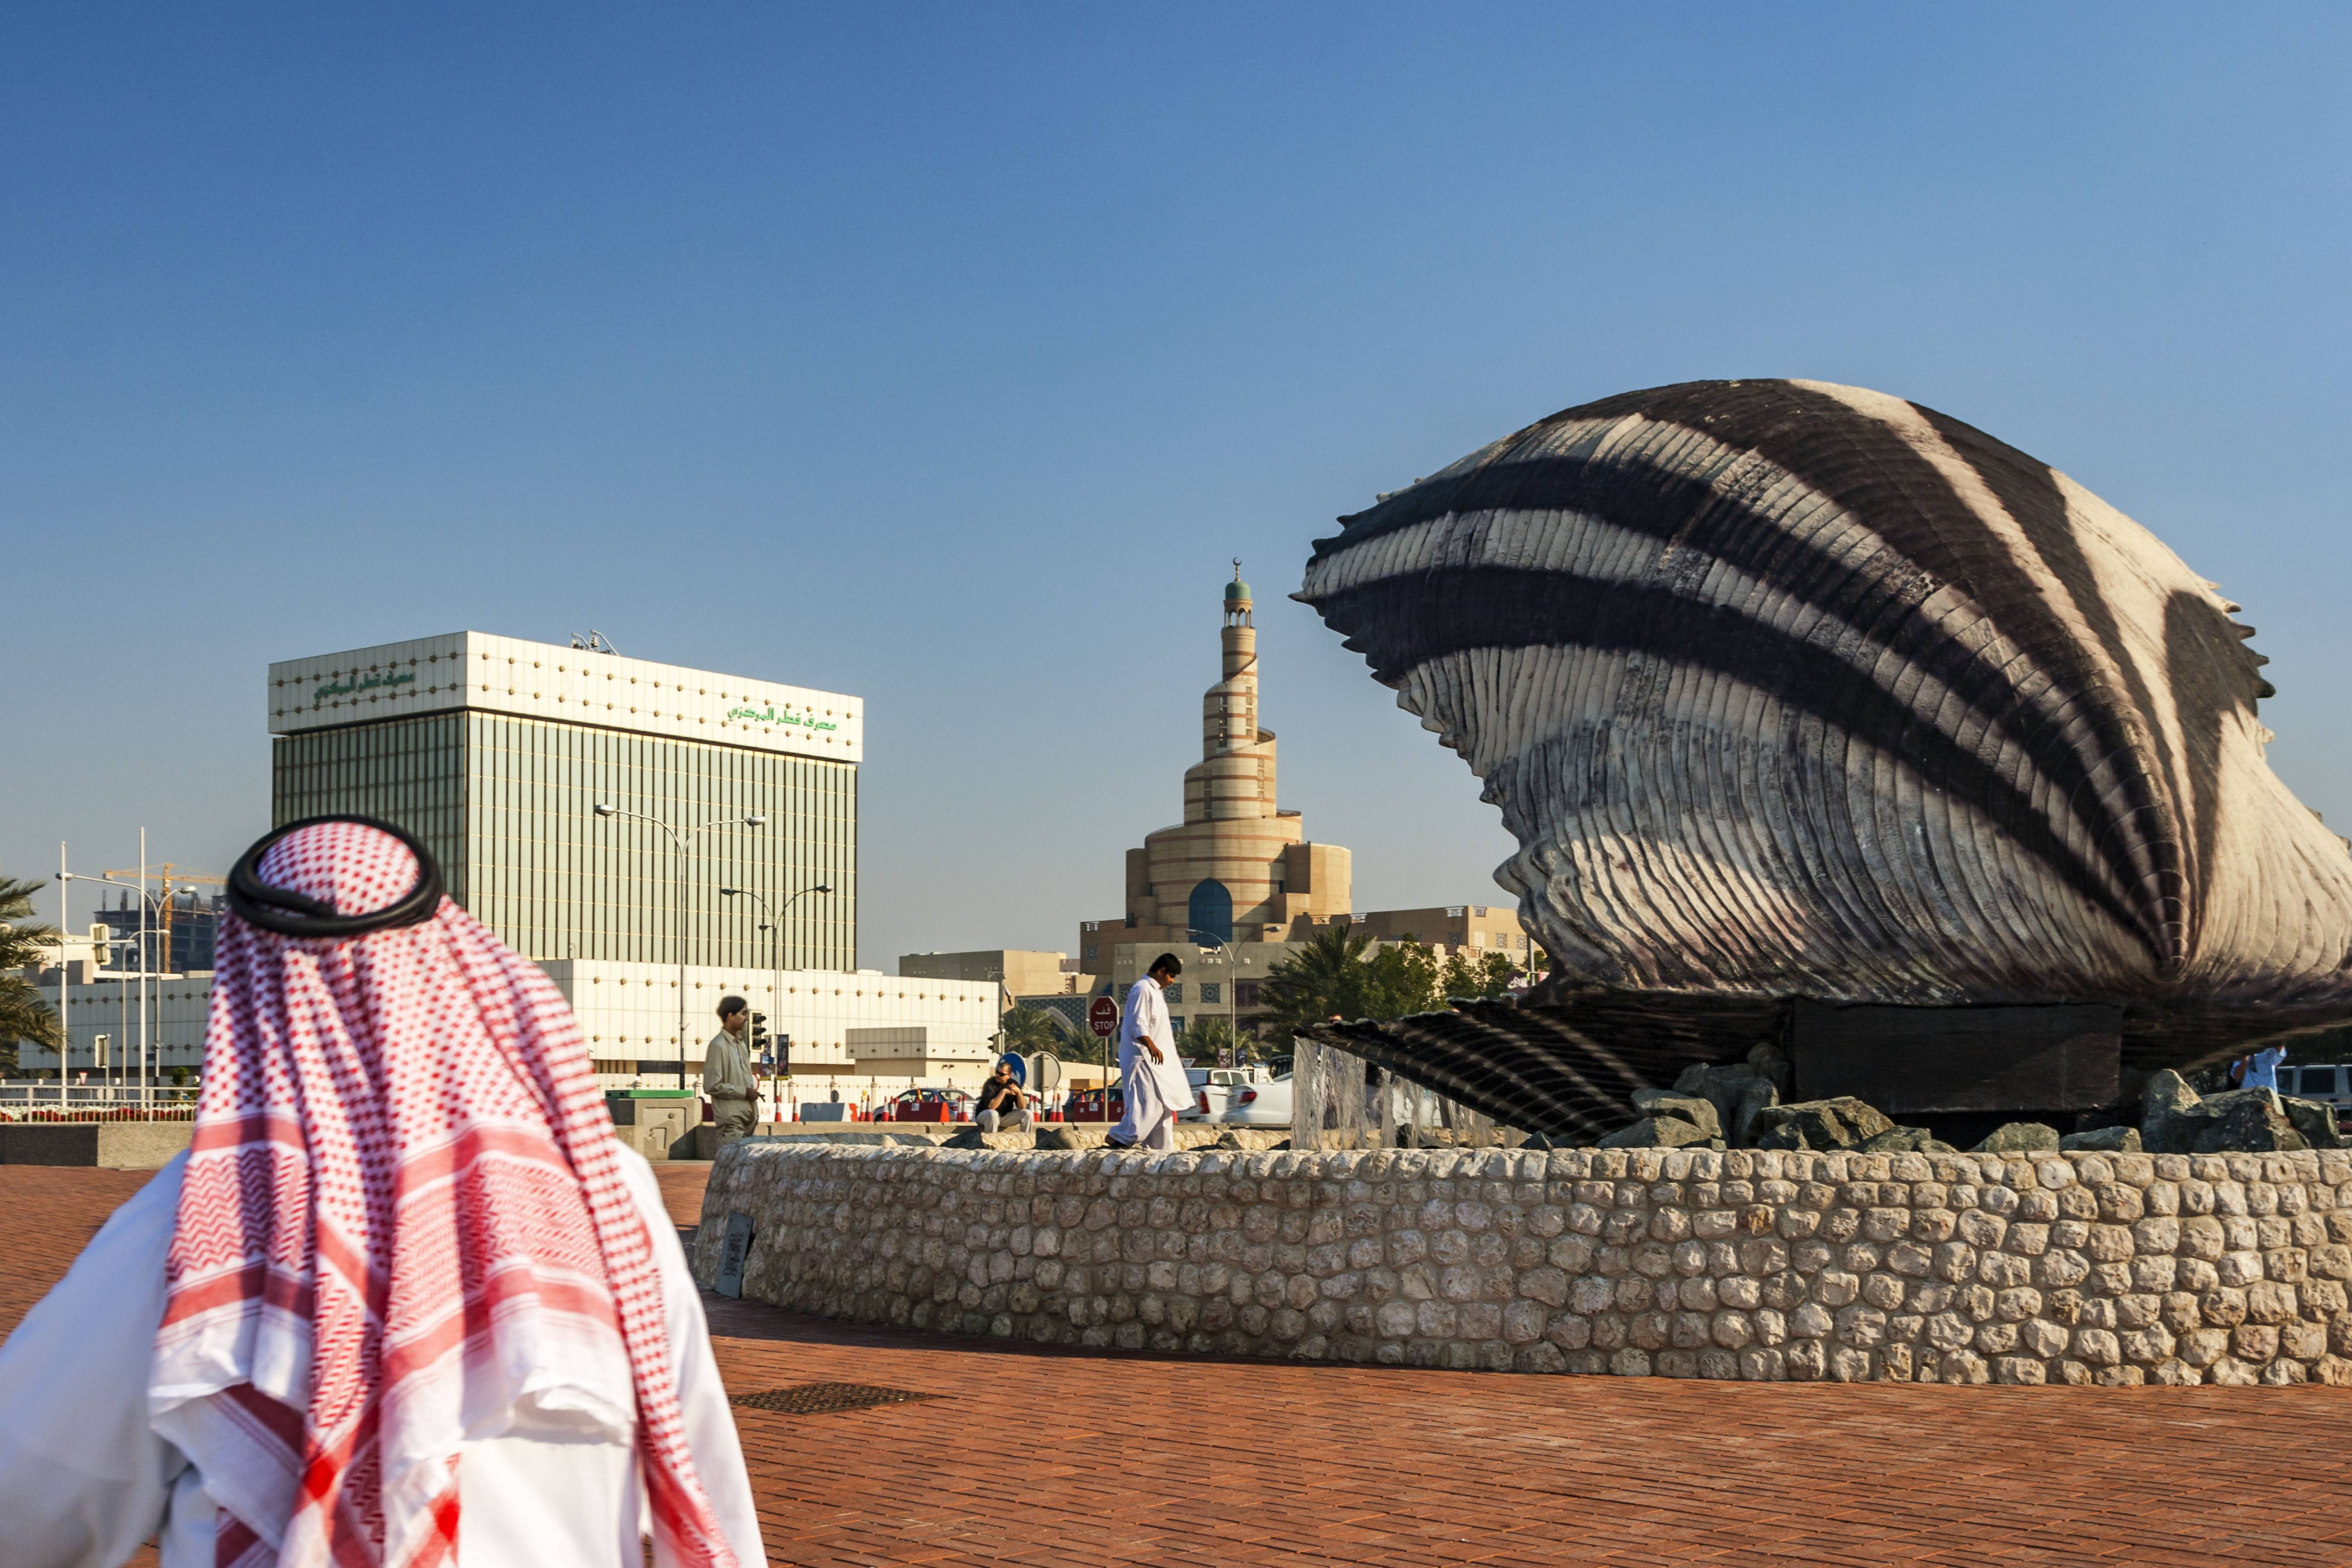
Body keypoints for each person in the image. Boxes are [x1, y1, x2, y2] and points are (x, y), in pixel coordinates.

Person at [0, 816, 761, 1568]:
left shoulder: (191, 1223)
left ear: (251, 993)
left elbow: (27, 1497)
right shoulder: (607, 1189)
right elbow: (704, 1477)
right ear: (449, 964)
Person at [1108, 953, 1191, 1151]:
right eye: (1171, 976)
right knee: (1148, 1102)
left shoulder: (1156, 992)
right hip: (1143, 1057)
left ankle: (1160, 1151)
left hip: (1158, 1061)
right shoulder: (1142, 989)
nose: (1172, 981)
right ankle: (1121, 1137)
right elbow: (1138, 1023)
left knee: (1164, 1105)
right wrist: (1151, 1046)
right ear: (1161, 971)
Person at [703, 995, 757, 1147]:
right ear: (731, 1016)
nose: (746, 1018)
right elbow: (711, 1085)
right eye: (743, 1013)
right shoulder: (718, 1046)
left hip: (748, 1121)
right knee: (732, 1161)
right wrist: (744, 1092)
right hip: (731, 1123)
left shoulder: (741, 1045)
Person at [973, 1059, 1032, 1134]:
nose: (998, 1075)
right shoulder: (990, 1084)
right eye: (997, 1072)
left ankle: (1025, 1138)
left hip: (1004, 1116)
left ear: (1009, 1075)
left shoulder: (1013, 1084)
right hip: (985, 1115)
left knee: (1028, 1114)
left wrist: (1019, 1092)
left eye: (1001, 1074)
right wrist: (1003, 1092)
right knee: (993, 1114)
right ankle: (992, 1139)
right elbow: (992, 1107)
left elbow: (1022, 1107)